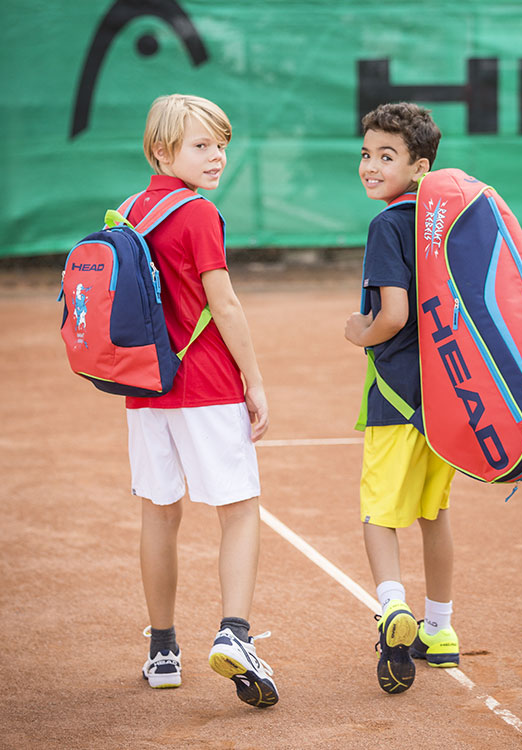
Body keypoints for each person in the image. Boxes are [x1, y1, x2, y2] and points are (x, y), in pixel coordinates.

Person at [126, 94, 277, 708]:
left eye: (220, 144)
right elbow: (225, 304)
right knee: (239, 510)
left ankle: (163, 650)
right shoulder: (198, 215)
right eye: (201, 145)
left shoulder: (130, 210)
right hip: (208, 385)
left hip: (144, 390)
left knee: (160, 513)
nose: (216, 156)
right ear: (164, 150)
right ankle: (235, 635)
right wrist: (255, 380)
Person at [344, 102, 459, 695]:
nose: (370, 165)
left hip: (396, 396)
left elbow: (391, 315)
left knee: (378, 513)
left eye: (386, 156)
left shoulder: (387, 225)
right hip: (450, 396)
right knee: (433, 513)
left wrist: (357, 332)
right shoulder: (444, 221)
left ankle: (392, 609)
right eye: (366, 154)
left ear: (419, 167)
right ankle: (438, 630)